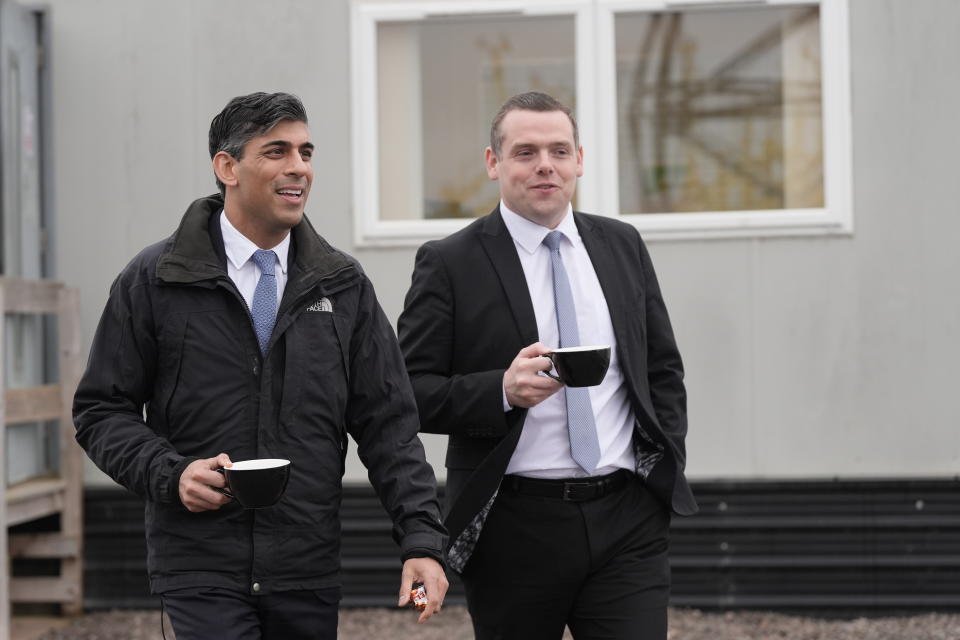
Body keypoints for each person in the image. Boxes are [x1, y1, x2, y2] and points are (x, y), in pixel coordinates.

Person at [73, 92, 448, 640]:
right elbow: (101, 409)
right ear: (227, 167)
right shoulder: (156, 280)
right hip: (199, 564)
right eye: (276, 151)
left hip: (306, 565)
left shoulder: (343, 286)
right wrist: (170, 474)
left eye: (306, 151)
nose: (299, 167)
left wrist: (421, 540)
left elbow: (389, 424)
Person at [398, 91, 697, 640]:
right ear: (493, 163)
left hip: (626, 517)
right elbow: (406, 393)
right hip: (513, 525)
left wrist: (664, 463)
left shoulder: (622, 244)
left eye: (559, 151)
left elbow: (661, 370)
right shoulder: (449, 262)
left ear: (579, 160)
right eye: (525, 151)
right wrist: (500, 390)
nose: (545, 166)